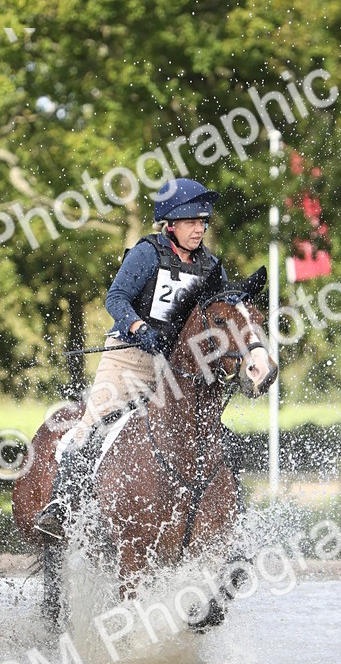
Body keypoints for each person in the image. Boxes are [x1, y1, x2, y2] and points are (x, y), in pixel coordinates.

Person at [34, 177, 226, 540]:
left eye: (202, 222)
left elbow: (220, 313)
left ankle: (224, 515)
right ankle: (62, 506)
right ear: (170, 224)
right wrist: (139, 328)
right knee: (91, 426)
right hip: (131, 357)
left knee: (211, 436)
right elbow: (116, 298)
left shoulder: (211, 266)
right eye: (191, 222)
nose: (199, 229)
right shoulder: (147, 253)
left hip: (178, 369)